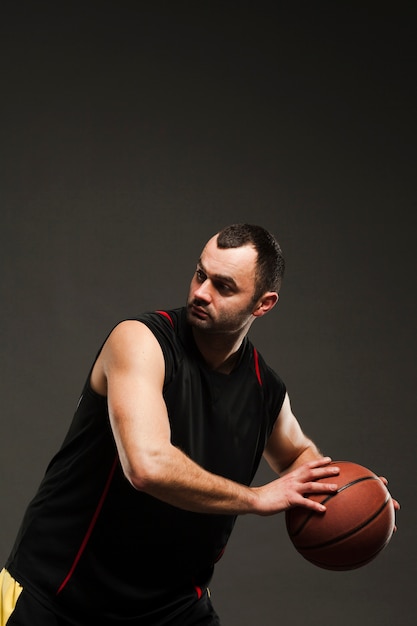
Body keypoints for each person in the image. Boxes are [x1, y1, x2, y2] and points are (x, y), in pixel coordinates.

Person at [0, 223, 398, 625]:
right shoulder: (141, 342)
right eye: (200, 274)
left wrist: (352, 491)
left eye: (224, 286)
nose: (200, 293)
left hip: (171, 607)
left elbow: (298, 457)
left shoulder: (265, 389)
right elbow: (147, 466)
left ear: (264, 303)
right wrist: (257, 498)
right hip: (60, 597)